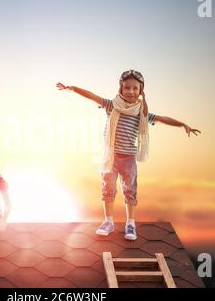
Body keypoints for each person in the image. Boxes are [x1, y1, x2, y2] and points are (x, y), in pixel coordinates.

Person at [56, 70, 201, 240]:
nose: (130, 91)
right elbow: (92, 96)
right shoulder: (112, 105)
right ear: (121, 89)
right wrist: (72, 88)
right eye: (127, 88)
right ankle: (108, 222)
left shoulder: (141, 113)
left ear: (141, 91)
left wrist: (182, 124)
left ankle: (130, 224)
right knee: (108, 189)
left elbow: (162, 119)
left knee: (130, 191)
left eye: (135, 88)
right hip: (111, 156)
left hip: (128, 159)